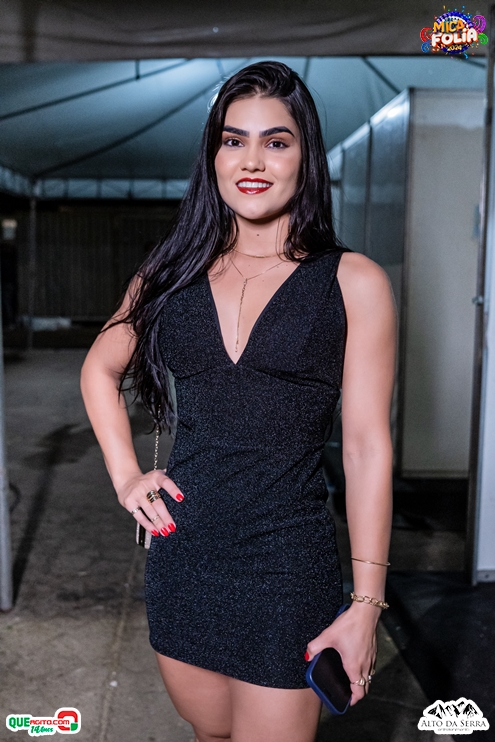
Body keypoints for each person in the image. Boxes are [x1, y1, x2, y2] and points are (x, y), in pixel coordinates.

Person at [80, 61, 396, 742]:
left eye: (276, 142)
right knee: (211, 732)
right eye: (233, 140)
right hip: (184, 557)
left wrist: (366, 604)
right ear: (213, 156)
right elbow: (98, 369)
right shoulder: (170, 273)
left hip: (287, 565)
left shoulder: (352, 281)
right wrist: (126, 476)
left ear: (306, 158)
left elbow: (367, 447)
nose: (252, 160)